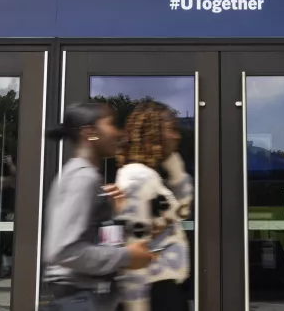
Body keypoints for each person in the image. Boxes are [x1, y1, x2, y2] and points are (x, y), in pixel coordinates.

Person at [43, 102, 155, 310]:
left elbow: (90, 238)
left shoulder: (87, 176)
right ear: (90, 133)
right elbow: (64, 250)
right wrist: (127, 256)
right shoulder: (82, 178)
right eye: (111, 124)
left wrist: (113, 212)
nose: (119, 133)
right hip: (81, 298)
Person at [114, 101, 194, 311]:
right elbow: (134, 251)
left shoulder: (149, 177)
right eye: (172, 129)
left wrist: (174, 165)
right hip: (153, 293)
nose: (177, 136)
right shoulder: (137, 179)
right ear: (153, 133)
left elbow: (184, 211)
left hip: (163, 289)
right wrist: (137, 306)